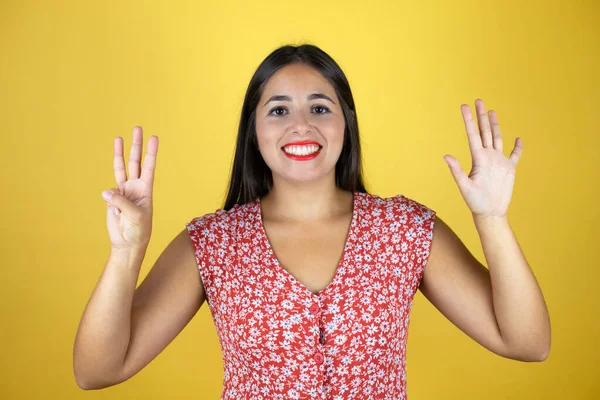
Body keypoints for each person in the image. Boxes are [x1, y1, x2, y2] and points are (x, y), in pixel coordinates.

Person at [73, 44, 551, 399]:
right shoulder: (213, 244)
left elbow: (527, 342)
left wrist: (492, 219)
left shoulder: (405, 230)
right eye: (278, 110)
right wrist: (126, 252)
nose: (301, 126)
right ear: (254, 132)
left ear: (346, 123)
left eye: (319, 108)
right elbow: (96, 371)